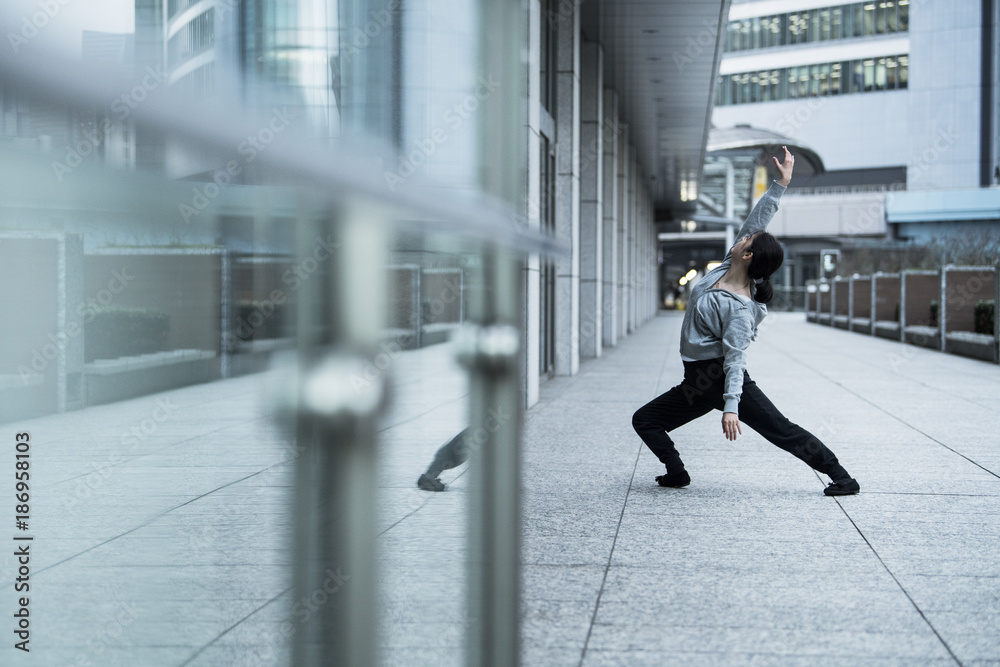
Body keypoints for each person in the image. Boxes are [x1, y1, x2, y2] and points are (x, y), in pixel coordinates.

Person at [631, 146, 860, 496]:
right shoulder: (726, 265)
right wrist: (780, 184)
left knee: (780, 429)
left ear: (749, 255)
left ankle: (843, 477)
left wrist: (731, 406)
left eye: (747, 240)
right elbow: (758, 220)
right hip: (696, 380)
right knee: (645, 420)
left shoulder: (739, 308)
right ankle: (676, 472)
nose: (743, 236)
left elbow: (736, 358)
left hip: (718, 375)